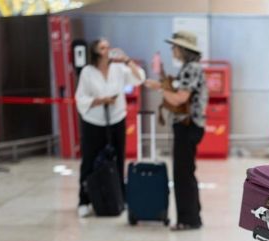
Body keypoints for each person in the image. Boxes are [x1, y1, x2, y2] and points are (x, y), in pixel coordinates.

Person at [75, 38, 145, 217]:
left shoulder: (118, 69)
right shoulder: (87, 72)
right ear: (96, 52)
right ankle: (84, 200)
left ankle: (119, 197)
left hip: (116, 119)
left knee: (117, 159)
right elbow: (81, 98)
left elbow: (140, 78)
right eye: (103, 47)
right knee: (89, 160)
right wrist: (100, 101)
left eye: (108, 47)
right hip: (93, 122)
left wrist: (127, 61)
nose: (108, 50)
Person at [145, 31, 207, 230]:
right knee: (185, 172)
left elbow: (180, 98)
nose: (172, 50)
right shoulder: (189, 67)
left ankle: (188, 220)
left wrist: (160, 88)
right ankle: (191, 217)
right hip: (187, 126)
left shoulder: (191, 68)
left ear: (183, 49)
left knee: (183, 174)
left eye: (175, 47)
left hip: (187, 126)